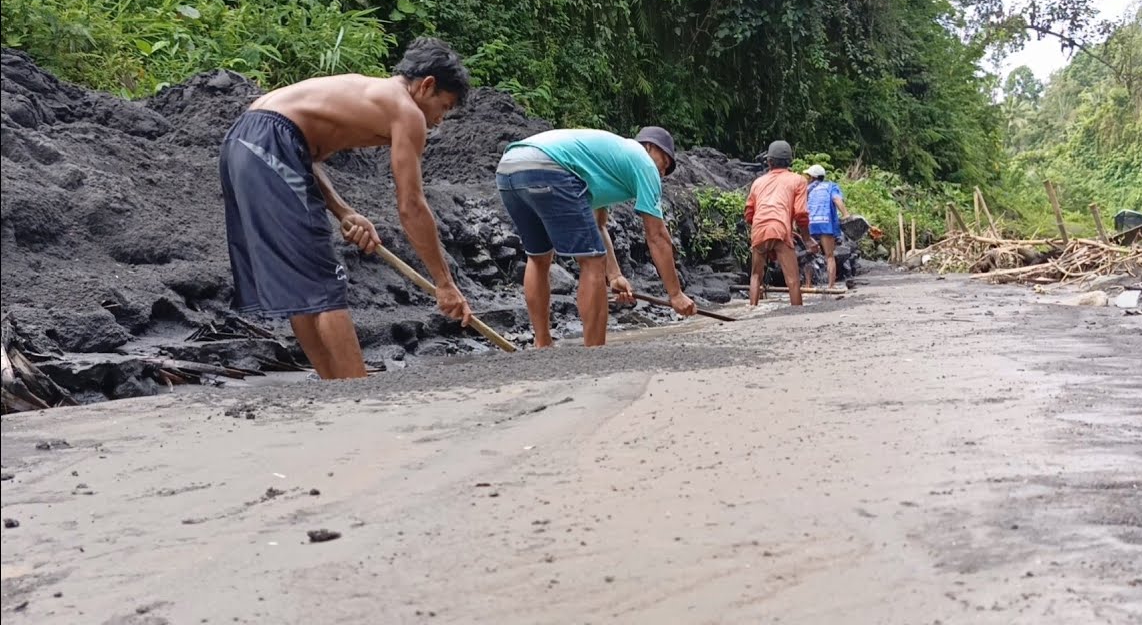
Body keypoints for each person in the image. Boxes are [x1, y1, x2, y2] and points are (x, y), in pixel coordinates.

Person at [219, 37, 474, 380]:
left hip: (245, 141)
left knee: (305, 283)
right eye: (443, 107)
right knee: (324, 283)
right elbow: (411, 205)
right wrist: (444, 283)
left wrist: (344, 212)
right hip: (270, 142)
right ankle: (358, 389)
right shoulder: (407, 111)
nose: (440, 120)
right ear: (426, 85)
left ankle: (335, 389)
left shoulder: (369, 92)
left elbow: (299, 150)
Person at [495, 127, 697, 348]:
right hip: (550, 167)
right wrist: (675, 294)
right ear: (649, 147)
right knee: (591, 262)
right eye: (664, 162)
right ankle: (594, 353)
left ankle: (543, 343)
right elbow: (657, 235)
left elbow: (598, 226)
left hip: (509, 168)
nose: (662, 173)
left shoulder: (609, 162)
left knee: (539, 257)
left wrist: (615, 275)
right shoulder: (644, 162)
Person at [744, 141, 819, 306]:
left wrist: (760, 229)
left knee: (756, 275)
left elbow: (749, 212)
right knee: (792, 279)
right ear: (790, 162)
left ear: (769, 162)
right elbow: (801, 213)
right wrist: (807, 239)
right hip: (780, 229)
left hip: (759, 229)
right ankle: (797, 314)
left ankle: (752, 310)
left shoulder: (758, 182)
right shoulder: (798, 180)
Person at [801, 164, 849, 290]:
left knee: (809, 255)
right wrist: (846, 215)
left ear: (812, 177)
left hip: (810, 223)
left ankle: (808, 284)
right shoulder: (831, 186)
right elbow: (837, 200)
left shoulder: (807, 189)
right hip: (826, 223)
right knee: (829, 256)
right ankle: (831, 285)